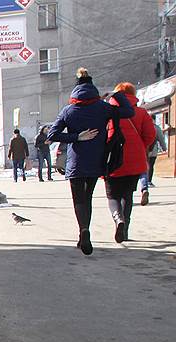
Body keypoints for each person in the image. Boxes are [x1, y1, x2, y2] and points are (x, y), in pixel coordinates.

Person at [47, 68, 134, 255]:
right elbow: (128, 112)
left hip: (76, 162)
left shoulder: (68, 111)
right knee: (88, 197)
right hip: (96, 161)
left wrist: (77, 136)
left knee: (79, 199)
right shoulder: (103, 108)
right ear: (93, 88)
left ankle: (84, 231)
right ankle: (83, 234)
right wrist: (117, 94)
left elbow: (53, 134)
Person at [104, 82, 154, 242]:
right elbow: (150, 135)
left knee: (112, 196)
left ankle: (118, 219)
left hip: (111, 159)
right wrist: (140, 147)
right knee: (127, 195)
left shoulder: (107, 112)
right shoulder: (140, 112)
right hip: (134, 160)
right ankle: (125, 231)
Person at [139, 121, 167, 205]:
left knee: (141, 169)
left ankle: (130, 191)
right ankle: (147, 184)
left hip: (141, 150)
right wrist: (164, 148)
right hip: (152, 150)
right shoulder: (156, 127)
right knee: (149, 166)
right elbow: (161, 138)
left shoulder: (140, 125)